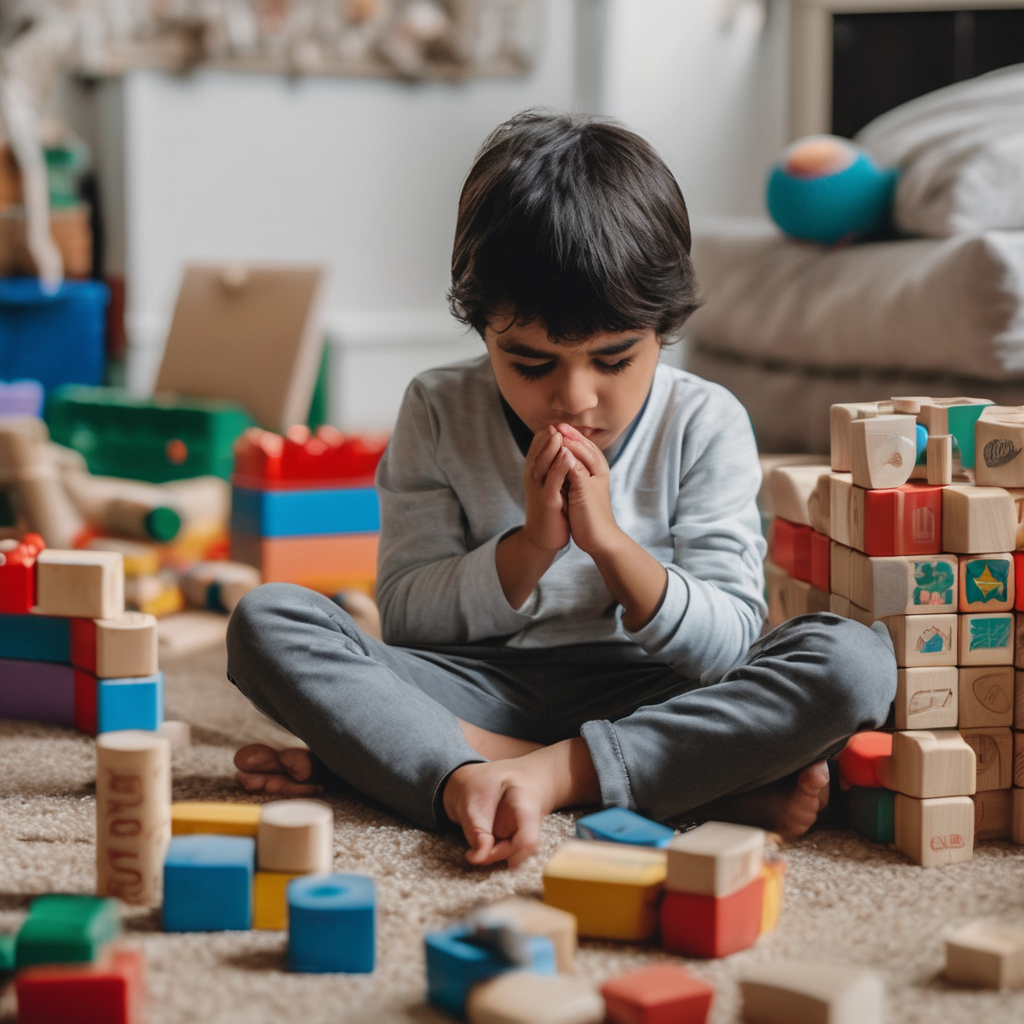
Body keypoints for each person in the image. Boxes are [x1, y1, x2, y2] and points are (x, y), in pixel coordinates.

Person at [227, 110, 897, 869]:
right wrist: (530, 549)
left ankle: (511, 768)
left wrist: (610, 546)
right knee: (268, 621)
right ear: (482, 328)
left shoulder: (704, 420)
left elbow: (729, 648)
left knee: (852, 664)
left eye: (614, 360)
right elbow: (409, 619)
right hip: (476, 684)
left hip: (658, 692)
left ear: (665, 325)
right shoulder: (437, 409)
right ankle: (647, 781)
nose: (575, 399)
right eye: (531, 364)